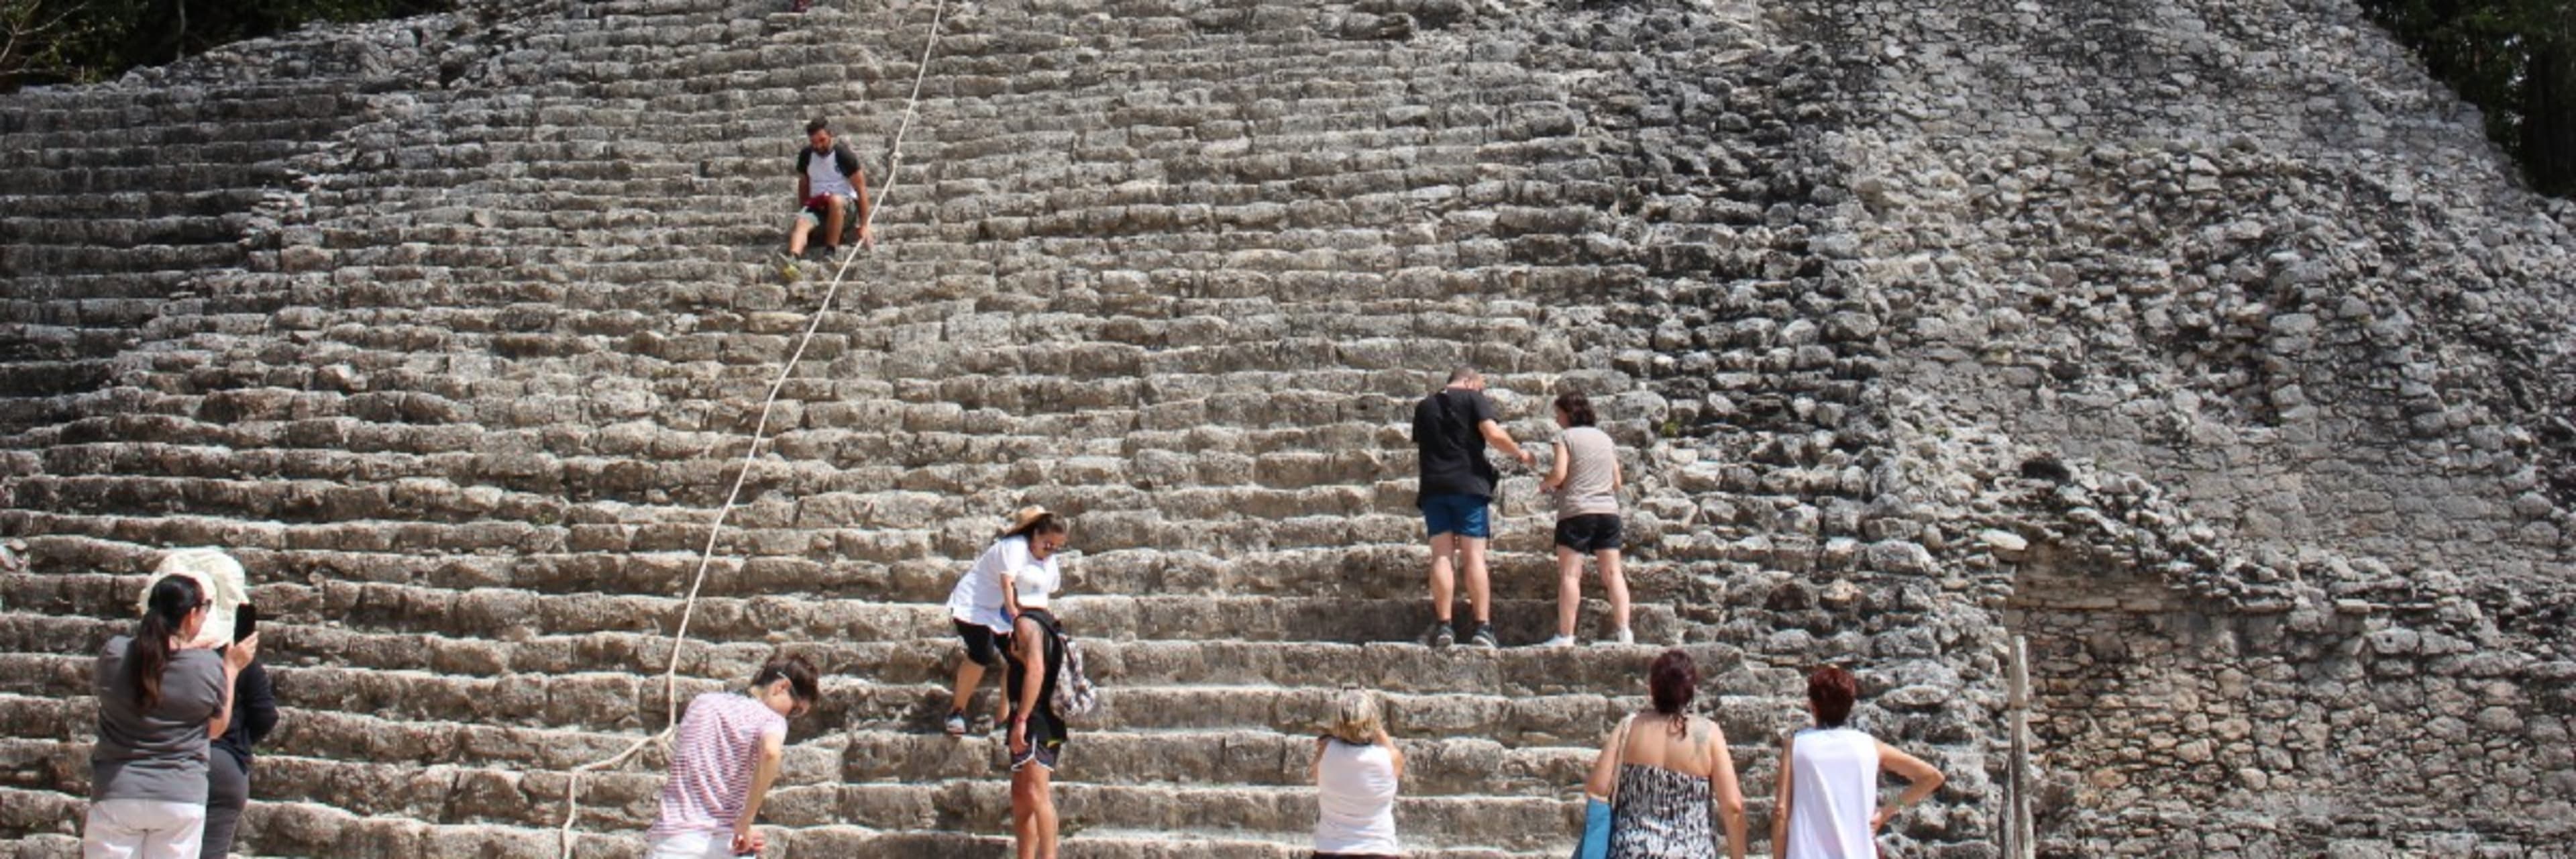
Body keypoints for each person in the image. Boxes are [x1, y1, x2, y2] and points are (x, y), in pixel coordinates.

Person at [86, 573, 259, 859]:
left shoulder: (114, 653)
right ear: (192, 615)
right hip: (179, 793)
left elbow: (151, 661)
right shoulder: (207, 666)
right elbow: (215, 729)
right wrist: (231, 669)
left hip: (117, 789)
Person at [645, 653, 820, 859]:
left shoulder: (702, 703)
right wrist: (744, 822)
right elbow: (771, 753)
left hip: (672, 840)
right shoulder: (771, 720)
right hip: (724, 845)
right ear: (780, 687)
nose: (790, 718)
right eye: (795, 711)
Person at [1410, 367, 1532, 649]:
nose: (1482, 393)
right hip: (1468, 485)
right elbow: (1492, 434)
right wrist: (1520, 453)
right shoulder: (1472, 398)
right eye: (1480, 387)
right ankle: (1482, 627)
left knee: (1441, 556)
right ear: (1468, 381)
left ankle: (1444, 624)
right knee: (1474, 556)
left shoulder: (1424, 406)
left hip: (1433, 487)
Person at [1585, 650, 1747, 859]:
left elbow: (1597, 789)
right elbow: (1732, 806)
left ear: (1653, 687)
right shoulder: (1708, 734)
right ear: (1690, 688)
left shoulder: (1629, 727)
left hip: (1632, 850)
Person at [1770, 666, 1945, 859]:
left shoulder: (1796, 746)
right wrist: (1887, 812)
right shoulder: (1870, 746)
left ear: (1813, 705)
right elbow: (1931, 777)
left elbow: (1780, 812)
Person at [943, 507, 1071, 737]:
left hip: (1003, 609)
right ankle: (957, 711)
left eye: (1056, 546)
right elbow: (1007, 582)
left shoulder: (1048, 557)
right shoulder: (1014, 547)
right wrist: (1015, 615)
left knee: (1017, 657)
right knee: (982, 652)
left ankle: (1005, 716)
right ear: (1035, 534)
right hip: (975, 604)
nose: (1051, 549)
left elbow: (1043, 590)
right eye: (1047, 544)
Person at [1538, 391, 1631, 647]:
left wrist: (1545, 485)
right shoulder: (1605, 438)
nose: (1557, 419)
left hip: (1577, 511)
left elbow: (1559, 474)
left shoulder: (1565, 437)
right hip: (1608, 512)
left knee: (1570, 575)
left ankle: (1566, 635)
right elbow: (1617, 481)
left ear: (1568, 414)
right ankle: (1625, 632)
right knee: (1613, 573)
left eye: (1558, 414)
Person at [201, 603, 274, 859]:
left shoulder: (163, 656)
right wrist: (238, 742)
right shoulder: (240, 659)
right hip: (224, 763)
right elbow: (265, 716)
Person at [1006, 574, 1069, 859]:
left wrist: (1020, 721)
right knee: (1022, 795)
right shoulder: (1050, 625)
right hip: (1041, 717)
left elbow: (1036, 671)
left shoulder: (1026, 624)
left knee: (1035, 793)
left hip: (1036, 719)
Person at [1310, 690, 1405, 858]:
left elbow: (1315, 775)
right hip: (1378, 849)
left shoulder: (1326, 752)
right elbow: (1391, 749)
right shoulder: (1390, 759)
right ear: (1373, 721)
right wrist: (1377, 728)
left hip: (1331, 849)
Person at [780, 117, 874, 273]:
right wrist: (805, 208)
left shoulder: (844, 156)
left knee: (835, 200)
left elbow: (861, 189)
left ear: (830, 135)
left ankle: (830, 250)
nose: (818, 145)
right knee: (802, 221)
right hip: (819, 204)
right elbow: (804, 183)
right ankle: (793, 259)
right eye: (814, 142)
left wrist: (864, 225)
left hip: (844, 207)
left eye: (822, 140)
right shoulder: (806, 155)